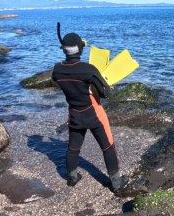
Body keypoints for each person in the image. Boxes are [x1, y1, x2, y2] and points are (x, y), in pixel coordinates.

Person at [51, 23, 126, 192]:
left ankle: (72, 178)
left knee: (73, 148)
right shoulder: (88, 69)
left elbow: (58, 80)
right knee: (108, 147)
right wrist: (107, 86)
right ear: (80, 49)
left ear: (64, 50)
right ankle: (116, 183)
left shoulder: (57, 69)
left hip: (74, 113)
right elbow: (105, 93)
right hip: (93, 114)